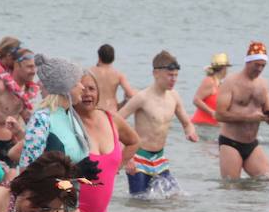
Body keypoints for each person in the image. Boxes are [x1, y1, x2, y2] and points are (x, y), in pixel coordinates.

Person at [16, 55, 101, 212]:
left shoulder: (70, 115)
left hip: (69, 203)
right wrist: (75, 171)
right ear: (64, 86)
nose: (82, 87)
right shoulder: (42, 118)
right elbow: (28, 168)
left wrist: (79, 172)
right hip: (43, 206)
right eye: (77, 82)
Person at [75, 72, 138, 212]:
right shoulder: (66, 122)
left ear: (99, 93)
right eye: (82, 89)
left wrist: (117, 167)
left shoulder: (111, 119)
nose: (87, 93)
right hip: (73, 211)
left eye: (92, 89)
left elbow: (134, 141)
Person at [119, 51, 197, 196]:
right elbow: (116, 122)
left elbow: (187, 123)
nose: (173, 79)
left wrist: (190, 131)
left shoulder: (174, 96)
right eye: (170, 75)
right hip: (138, 160)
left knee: (175, 199)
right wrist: (126, 157)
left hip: (160, 160)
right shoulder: (142, 97)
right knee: (139, 203)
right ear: (156, 73)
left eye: (176, 75)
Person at [214, 41, 269, 179]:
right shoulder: (231, 82)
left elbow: (267, 113)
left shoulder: (264, 84)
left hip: (252, 144)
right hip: (230, 143)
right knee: (231, 186)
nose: (260, 69)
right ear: (248, 62)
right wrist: (248, 118)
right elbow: (219, 115)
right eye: (257, 65)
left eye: (263, 65)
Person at [0, 48, 38, 168]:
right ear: (17, 65)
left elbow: (30, 123)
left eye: (35, 67)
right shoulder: (0, 87)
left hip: (10, 147)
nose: (34, 71)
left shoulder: (27, 92)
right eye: (29, 67)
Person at [91, 44, 136, 111]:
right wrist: (124, 102)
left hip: (95, 110)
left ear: (99, 57)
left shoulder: (90, 72)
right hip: (112, 111)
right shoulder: (118, 74)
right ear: (113, 58)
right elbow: (131, 95)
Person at [191, 53, 231, 126]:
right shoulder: (209, 81)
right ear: (223, 69)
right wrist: (212, 112)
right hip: (201, 126)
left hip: (212, 127)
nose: (227, 71)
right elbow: (196, 100)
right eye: (226, 68)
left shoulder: (219, 84)